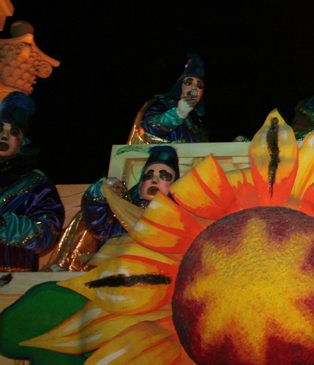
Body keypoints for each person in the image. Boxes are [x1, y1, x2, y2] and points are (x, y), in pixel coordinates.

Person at [49, 146, 180, 271]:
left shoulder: (181, 218)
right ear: (140, 185)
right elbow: (94, 213)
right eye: (148, 176)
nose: (154, 180)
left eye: (164, 176)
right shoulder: (118, 214)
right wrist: (103, 190)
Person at [0, 92, 64, 271]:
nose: (4, 136)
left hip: (10, 277)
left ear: (22, 143)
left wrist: (5, 226)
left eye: (13, 132)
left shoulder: (35, 182)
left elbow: (47, 233)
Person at [127, 54, 209, 144]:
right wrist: (177, 113)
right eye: (188, 82)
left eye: (199, 85)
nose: (194, 88)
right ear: (179, 86)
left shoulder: (198, 122)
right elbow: (146, 128)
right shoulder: (163, 103)